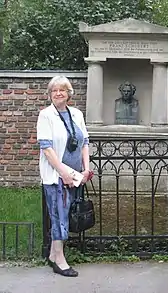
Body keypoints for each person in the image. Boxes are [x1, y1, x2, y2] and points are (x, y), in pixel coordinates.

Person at [37, 76, 90, 277]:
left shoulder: (76, 114)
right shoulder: (46, 115)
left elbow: (85, 141)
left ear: (69, 93)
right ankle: (60, 259)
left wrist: (86, 169)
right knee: (59, 215)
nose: (58, 93)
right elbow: (47, 149)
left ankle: (52, 255)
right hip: (57, 176)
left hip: (76, 175)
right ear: (50, 95)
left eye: (62, 90)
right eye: (54, 91)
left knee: (67, 214)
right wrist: (64, 173)